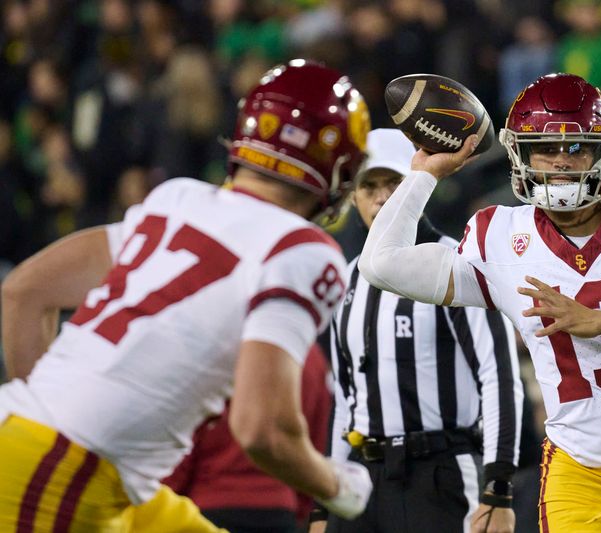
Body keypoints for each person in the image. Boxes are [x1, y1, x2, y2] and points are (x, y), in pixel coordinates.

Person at [0, 60, 373, 532]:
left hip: (52, 449)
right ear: (340, 166)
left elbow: (24, 292)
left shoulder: (178, 199)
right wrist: (337, 486)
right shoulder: (304, 251)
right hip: (58, 473)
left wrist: (54, 410)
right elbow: (263, 429)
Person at [358, 73, 601, 533]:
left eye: (576, 148)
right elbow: (380, 264)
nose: (561, 161)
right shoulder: (498, 235)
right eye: (545, 148)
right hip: (581, 482)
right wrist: (425, 174)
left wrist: (597, 320)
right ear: (520, 153)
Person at [309, 128, 523, 533]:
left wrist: (498, 487)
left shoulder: (454, 262)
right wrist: (325, 498)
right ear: (353, 194)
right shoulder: (347, 277)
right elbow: (344, 393)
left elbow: (499, 375)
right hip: (361, 474)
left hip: (437, 473)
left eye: (394, 183)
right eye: (369, 186)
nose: (382, 197)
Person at [163, 343, 332, 533]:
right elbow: (317, 441)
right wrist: (299, 507)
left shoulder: (219, 349)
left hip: (208, 505)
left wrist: (166, 499)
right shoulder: (309, 355)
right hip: (279, 511)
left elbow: (185, 437)